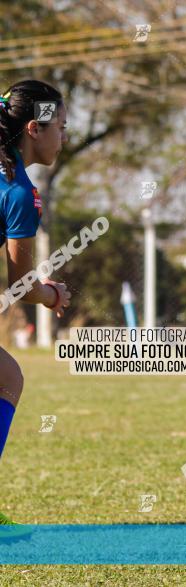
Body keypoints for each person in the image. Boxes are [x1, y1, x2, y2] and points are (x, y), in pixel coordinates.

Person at [0, 81, 72, 539]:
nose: (64, 136)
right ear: (33, 129)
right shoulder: (20, 192)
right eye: (60, 127)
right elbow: (21, 286)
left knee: (7, 377)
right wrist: (52, 295)